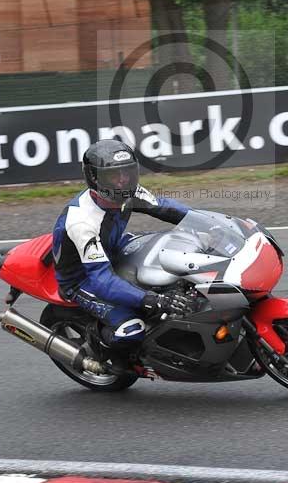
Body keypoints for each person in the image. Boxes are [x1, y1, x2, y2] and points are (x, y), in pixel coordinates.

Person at [52, 139, 191, 361]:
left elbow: (165, 207)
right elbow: (101, 279)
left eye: (127, 172)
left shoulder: (128, 192)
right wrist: (150, 299)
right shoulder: (82, 222)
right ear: (94, 178)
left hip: (113, 248)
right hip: (82, 279)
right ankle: (98, 347)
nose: (122, 180)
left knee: (169, 256)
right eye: (113, 176)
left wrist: (206, 221)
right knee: (133, 330)